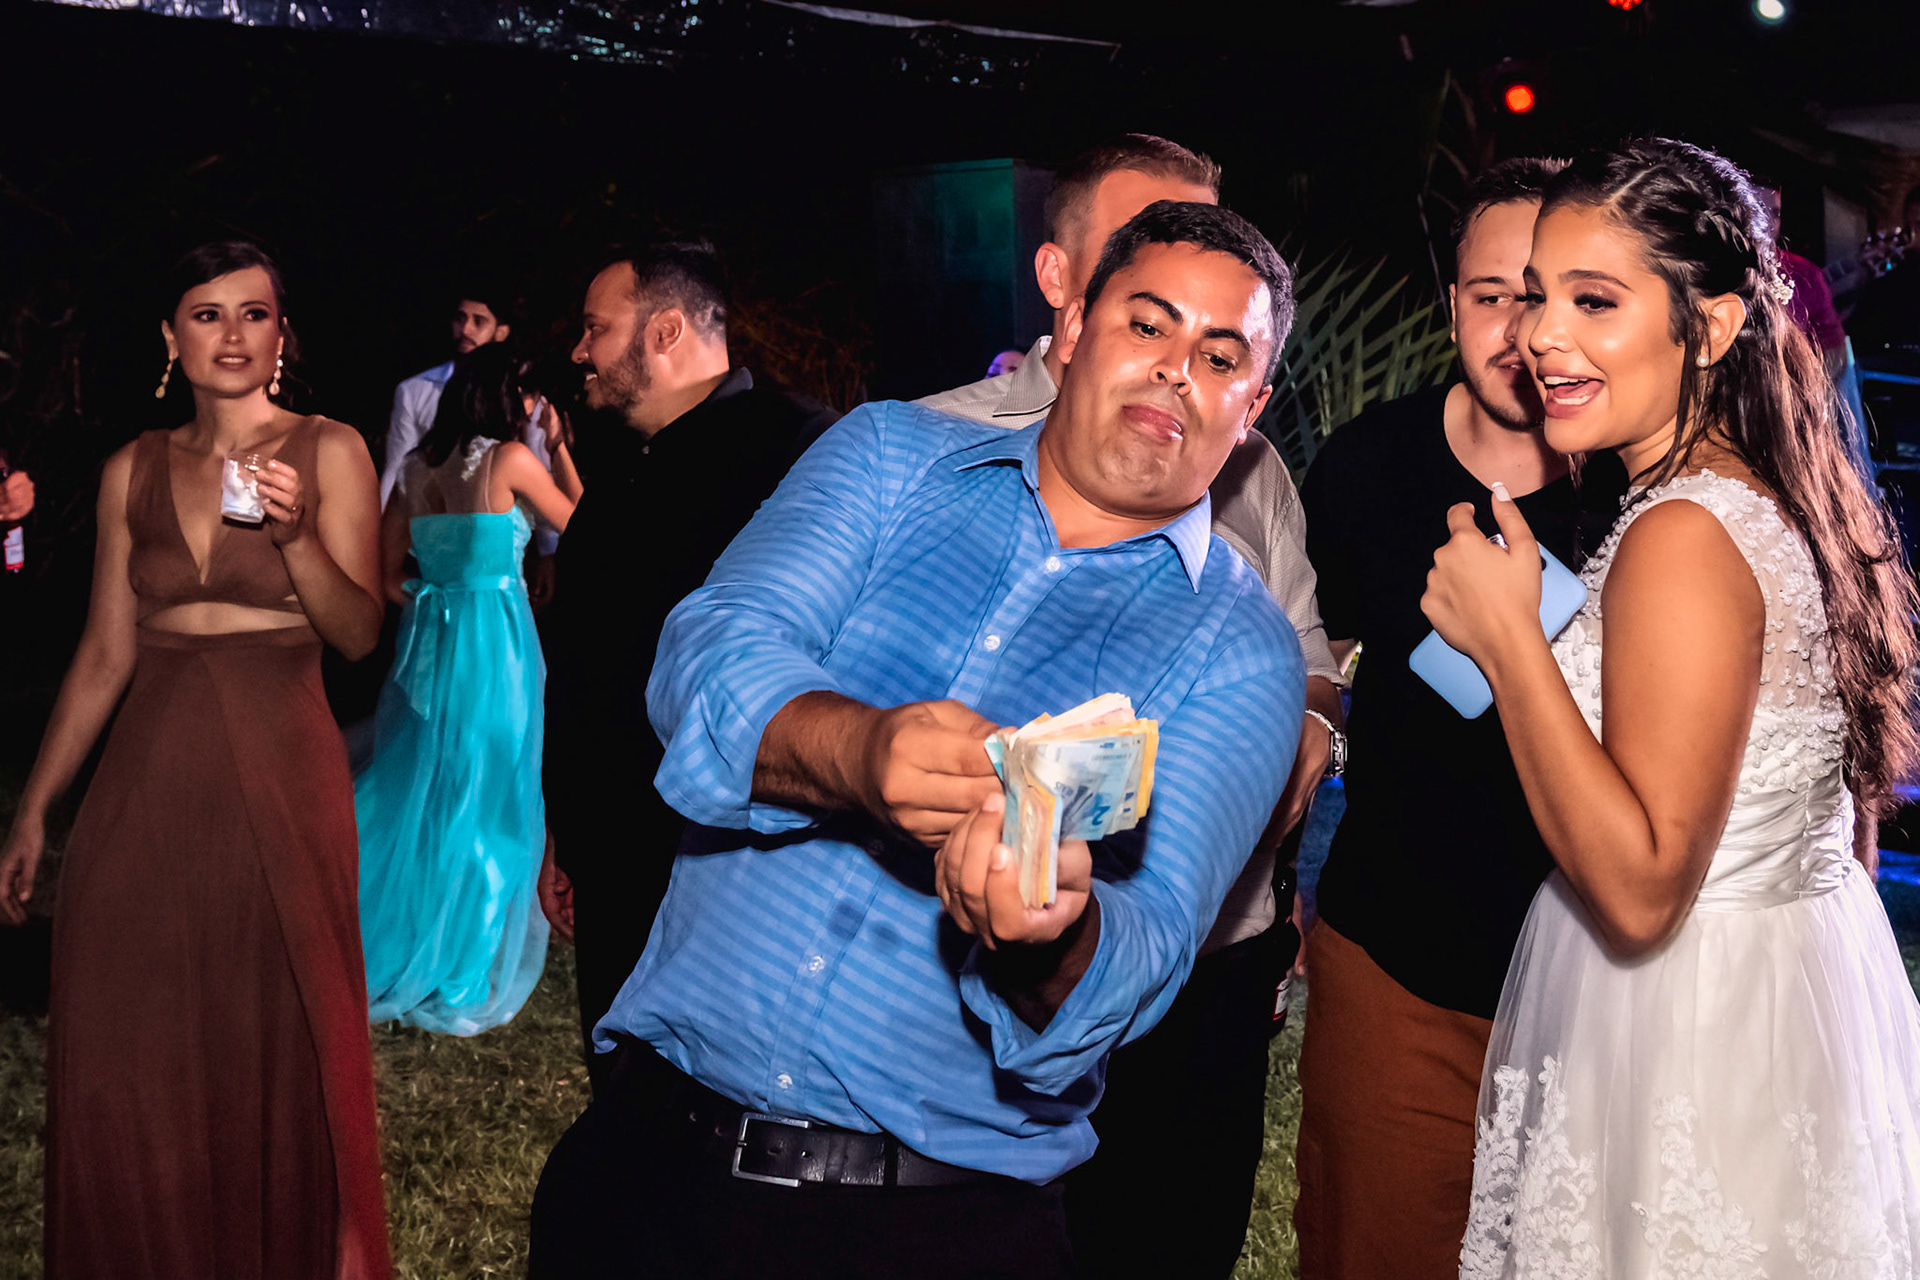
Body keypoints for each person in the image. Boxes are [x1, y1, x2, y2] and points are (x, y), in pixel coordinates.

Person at [525, 201, 1305, 1280]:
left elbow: (1144, 950)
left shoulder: (1243, 651)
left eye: (1221, 355)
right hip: (652, 1168)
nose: (1178, 369)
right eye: (1148, 325)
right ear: (1072, 327)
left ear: (1252, 402)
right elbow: (707, 653)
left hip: (936, 1229)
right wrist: (859, 751)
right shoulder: (890, 454)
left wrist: (1046, 935)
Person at [1422, 138, 1920, 1277]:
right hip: (1775, 997)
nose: (1540, 335)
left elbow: (1644, 892)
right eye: (1538, 298)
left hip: (1692, 1026)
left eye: (1595, 301)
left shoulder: (1682, 533)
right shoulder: (1754, 493)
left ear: (1713, 324)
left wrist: (1508, 642)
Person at [923, 133, 1344, 1275]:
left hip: (1211, 957)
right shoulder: (932, 446)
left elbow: (1313, 658)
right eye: (1148, 275)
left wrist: (1295, 745)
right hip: (983, 955)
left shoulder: (1250, 472)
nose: (1194, 285)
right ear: (1066, 286)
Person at [0, 242, 391, 1278]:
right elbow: (102, 653)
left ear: (280, 333)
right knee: (140, 1037)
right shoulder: (133, 466)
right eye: (206, 314)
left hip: (283, 762)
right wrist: (35, 809)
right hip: (150, 778)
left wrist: (301, 538)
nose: (231, 333)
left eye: (252, 313)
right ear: (170, 340)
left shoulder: (331, 448)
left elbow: (357, 635)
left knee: (280, 1025)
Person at [1294, 158, 1628, 1279]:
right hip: (1399, 964)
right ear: (1452, 306)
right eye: (1494, 294)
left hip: (1602, 982)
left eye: (1550, 295)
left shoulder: (1641, 494)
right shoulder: (1362, 467)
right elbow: (1317, 656)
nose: (1522, 329)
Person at [538, 242, 836, 1092]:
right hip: (615, 854)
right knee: (623, 1095)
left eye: (597, 329)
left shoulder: (800, 450)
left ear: (665, 330)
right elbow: (590, 665)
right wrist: (567, 829)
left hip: (732, 859)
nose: (580, 352)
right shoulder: (622, 470)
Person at [354, 341, 582, 1034]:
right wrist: (563, 447)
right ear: (507, 397)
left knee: (432, 782)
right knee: (494, 790)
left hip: (432, 643)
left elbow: (384, 571)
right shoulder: (509, 459)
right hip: (496, 644)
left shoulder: (421, 465)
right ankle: (467, 951)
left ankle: (411, 930)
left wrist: (431, 601)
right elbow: (588, 529)